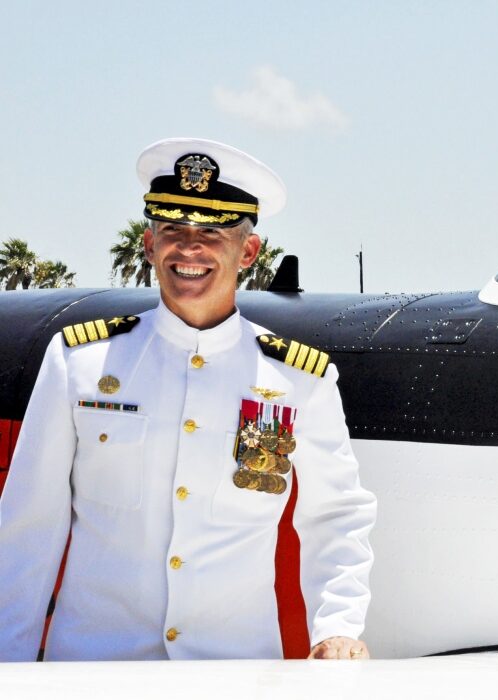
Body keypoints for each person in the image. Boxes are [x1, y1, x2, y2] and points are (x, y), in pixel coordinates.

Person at [0, 138, 376, 661]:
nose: (188, 249)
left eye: (212, 233)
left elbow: (336, 515)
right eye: (173, 230)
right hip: (94, 673)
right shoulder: (79, 362)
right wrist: (8, 669)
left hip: (234, 674)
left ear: (248, 252)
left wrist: (335, 626)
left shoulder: (300, 380)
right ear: (150, 245)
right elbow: (27, 526)